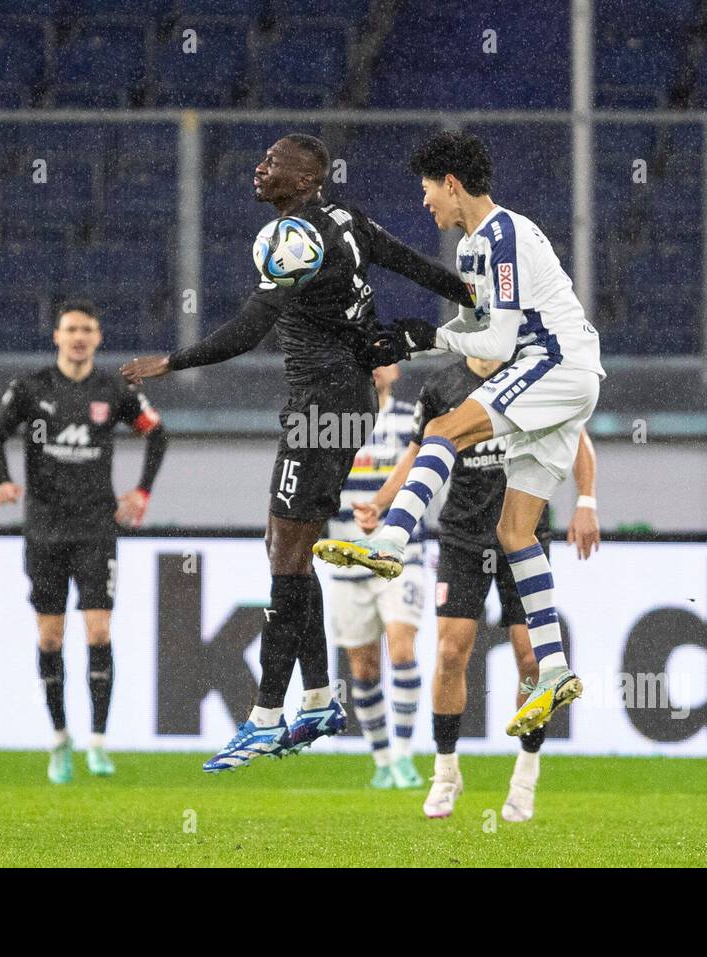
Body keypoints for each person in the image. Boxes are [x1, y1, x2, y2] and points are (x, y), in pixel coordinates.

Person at [120, 134, 474, 773]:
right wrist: (475, 296)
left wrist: (173, 361)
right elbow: (415, 265)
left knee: (285, 554)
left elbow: (251, 328)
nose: (259, 169)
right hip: (344, 400)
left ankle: (264, 716)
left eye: (273, 162)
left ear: (307, 176)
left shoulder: (293, 239)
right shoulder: (348, 220)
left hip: (322, 405)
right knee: (289, 547)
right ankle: (316, 699)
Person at [314, 130, 606, 739]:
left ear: (451, 183)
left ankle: (391, 544)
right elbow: (474, 323)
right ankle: (553, 668)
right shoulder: (475, 247)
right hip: (561, 374)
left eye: (427, 191)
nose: (425, 205)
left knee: (445, 427)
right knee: (516, 529)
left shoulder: (501, 235)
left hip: (555, 363)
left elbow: (496, 345)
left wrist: (429, 339)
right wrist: (416, 339)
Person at [355, 355, 599, 820]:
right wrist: (383, 505)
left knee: (531, 658)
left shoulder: (535, 371)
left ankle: (526, 775)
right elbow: (419, 453)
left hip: (523, 535)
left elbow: (577, 438)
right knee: (450, 653)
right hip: (462, 536)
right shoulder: (444, 385)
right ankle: (446, 773)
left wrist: (586, 501)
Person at [0, 301, 168, 784]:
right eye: (71, 329)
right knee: (49, 636)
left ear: (98, 337)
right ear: (57, 337)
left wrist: (142, 492)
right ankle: (60, 737)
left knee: (99, 631)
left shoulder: (114, 389)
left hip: (95, 528)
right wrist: (3, 480)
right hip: (44, 529)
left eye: (87, 329)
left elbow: (158, 433)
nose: (79, 336)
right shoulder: (30, 388)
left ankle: (100, 743)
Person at [328, 363, 425, 790]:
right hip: (346, 559)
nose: (373, 365)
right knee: (363, 668)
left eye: (382, 357)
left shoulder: (412, 419)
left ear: (397, 369)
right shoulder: (332, 420)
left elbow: (426, 473)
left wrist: (384, 509)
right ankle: (383, 759)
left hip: (400, 554)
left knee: (402, 648)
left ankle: (404, 755)